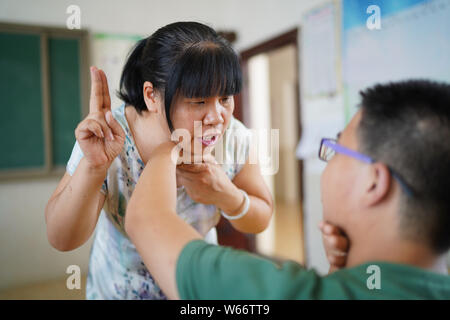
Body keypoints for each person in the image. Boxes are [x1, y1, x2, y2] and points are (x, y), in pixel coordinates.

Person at [125, 79, 450, 299]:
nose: (217, 115)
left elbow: (145, 221)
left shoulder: (281, 292)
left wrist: (170, 148)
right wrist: (342, 272)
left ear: (374, 183)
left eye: (337, 148)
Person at [44, 22, 274, 299]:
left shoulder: (234, 137)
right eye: (199, 101)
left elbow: (261, 218)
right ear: (151, 95)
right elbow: (62, 238)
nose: (217, 118)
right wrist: (93, 167)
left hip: (192, 290)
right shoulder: (109, 135)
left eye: (225, 98)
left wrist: (227, 195)